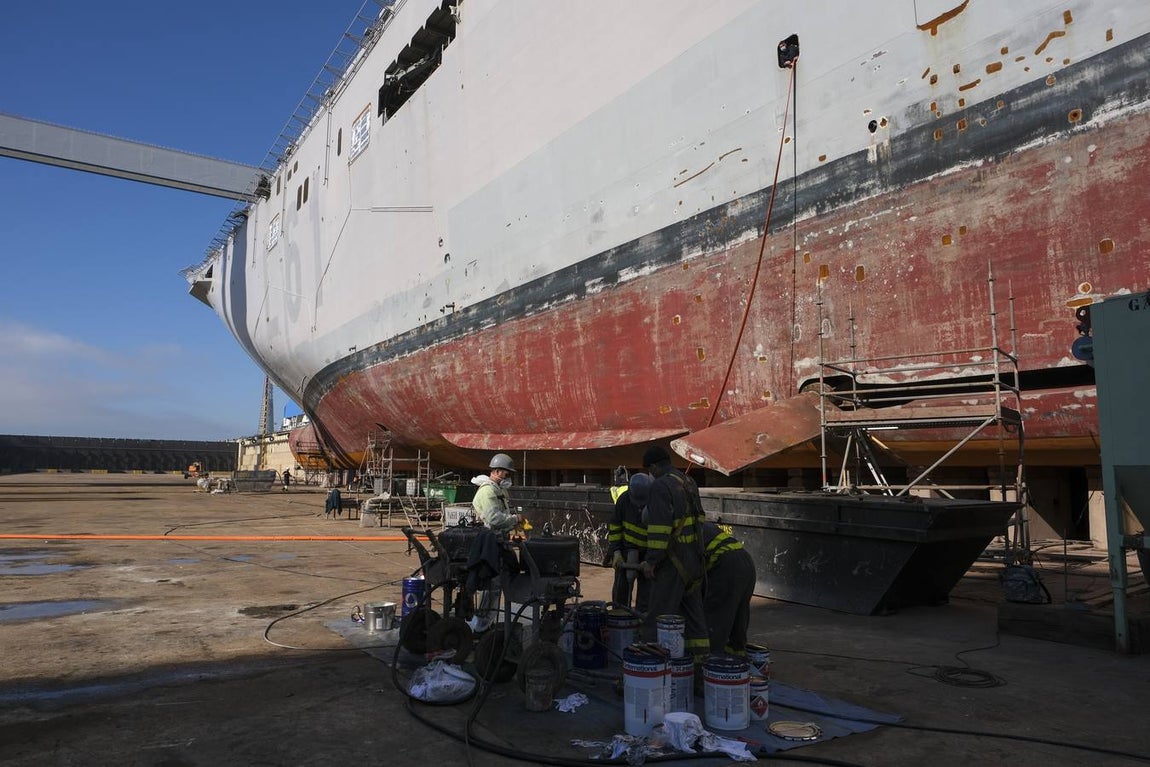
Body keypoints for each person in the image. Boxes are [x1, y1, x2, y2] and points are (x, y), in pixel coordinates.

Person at [637, 445, 709, 673]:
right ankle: (699, 669)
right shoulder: (688, 481)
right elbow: (700, 519)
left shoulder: (660, 486)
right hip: (695, 560)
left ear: (654, 466)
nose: (650, 474)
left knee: (657, 614)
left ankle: (648, 668)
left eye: (649, 470)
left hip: (674, 563)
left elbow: (660, 530)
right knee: (694, 617)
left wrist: (651, 561)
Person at [466, 452, 528, 632]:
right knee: (491, 585)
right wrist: (515, 519)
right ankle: (481, 627)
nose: (508, 478)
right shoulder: (487, 491)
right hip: (490, 543)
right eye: (507, 474)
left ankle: (486, 624)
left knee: (500, 582)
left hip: (499, 541)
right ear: (498, 471)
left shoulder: (498, 490)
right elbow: (493, 518)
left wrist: (514, 523)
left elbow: (502, 514)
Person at [701, 521, 756, 655]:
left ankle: (712, 659)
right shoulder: (702, 524)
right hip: (746, 561)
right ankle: (737, 657)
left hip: (727, 566)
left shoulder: (684, 533)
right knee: (739, 617)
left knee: (716, 619)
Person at [606, 471, 650, 611]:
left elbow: (660, 535)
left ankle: (642, 618)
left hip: (647, 554)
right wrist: (616, 552)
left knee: (647, 594)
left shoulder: (656, 503)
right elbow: (615, 527)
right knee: (621, 592)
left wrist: (652, 560)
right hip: (625, 552)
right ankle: (619, 615)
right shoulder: (624, 500)